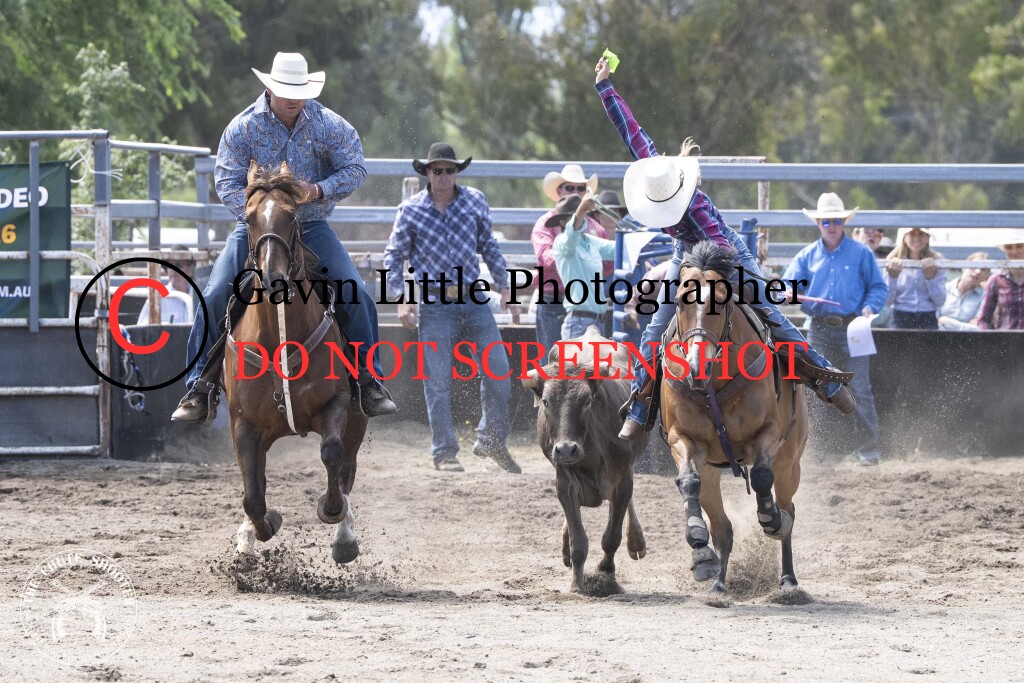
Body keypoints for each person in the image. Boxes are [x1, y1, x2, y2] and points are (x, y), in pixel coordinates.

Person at [592, 57, 856, 441]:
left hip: (727, 256)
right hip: (685, 255)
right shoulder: (656, 172)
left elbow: (720, 250)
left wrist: (709, 283)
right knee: (653, 331)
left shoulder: (696, 205)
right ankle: (640, 403)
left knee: (770, 314)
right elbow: (632, 132)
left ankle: (824, 378)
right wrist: (605, 87)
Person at [171, 52, 396, 424]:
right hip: (257, 228)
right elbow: (226, 183)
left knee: (355, 291)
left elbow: (355, 167)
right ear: (270, 88)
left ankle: (369, 380)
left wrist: (318, 190)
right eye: (286, 90)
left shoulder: (327, 124)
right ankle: (199, 387)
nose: (294, 98)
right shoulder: (243, 127)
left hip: (310, 226)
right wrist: (261, 211)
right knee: (214, 293)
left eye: (299, 91)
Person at [383, 142, 520, 474]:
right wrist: (401, 298)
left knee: (498, 371)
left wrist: (506, 286)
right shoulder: (411, 209)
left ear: (457, 172)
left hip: (473, 297)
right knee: (438, 380)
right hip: (434, 301)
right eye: (437, 170)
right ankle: (444, 451)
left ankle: (491, 439)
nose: (443, 175)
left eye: (449, 170)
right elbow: (394, 256)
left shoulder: (474, 201)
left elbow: (489, 245)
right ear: (428, 173)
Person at [784, 192, 889, 466]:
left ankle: (869, 450)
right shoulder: (806, 256)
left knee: (860, 387)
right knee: (818, 387)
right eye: (826, 221)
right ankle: (820, 449)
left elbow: (878, 287)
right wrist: (788, 293)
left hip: (854, 326)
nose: (831, 226)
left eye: (836, 221)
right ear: (818, 223)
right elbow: (787, 286)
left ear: (844, 223)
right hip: (819, 327)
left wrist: (869, 308)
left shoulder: (861, 254)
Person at [531, 164, 609, 357]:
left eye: (580, 188)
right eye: (569, 187)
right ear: (559, 191)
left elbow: (608, 265)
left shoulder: (595, 228)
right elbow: (546, 258)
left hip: (584, 303)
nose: (575, 192)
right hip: (553, 300)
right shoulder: (544, 224)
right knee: (551, 361)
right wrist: (577, 261)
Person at [547, 193, 617, 339]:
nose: (581, 219)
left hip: (597, 322)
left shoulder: (590, 241)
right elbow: (571, 235)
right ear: (563, 222)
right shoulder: (562, 242)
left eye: (582, 216)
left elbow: (617, 248)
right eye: (573, 217)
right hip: (579, 323)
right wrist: (582, 210)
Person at [883, 228, 946, 330]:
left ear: (927, 238)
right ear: (904, 238)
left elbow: (940, 301)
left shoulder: (937, 261)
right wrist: (892, 277)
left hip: (928, 316)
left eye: (921, 234)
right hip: (900, 316)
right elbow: (887, 301)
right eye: (912, 234)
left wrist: (930, 279)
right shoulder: (893, 260)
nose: (916, 238)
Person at [136, 245, 195, 325]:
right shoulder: (156, 297)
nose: (173, 269)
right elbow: (142, 328)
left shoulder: (200, 296)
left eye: (178, 265)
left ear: (190, 270)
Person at [977, 230, 1024, 330]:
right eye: (1009, 247)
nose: (1014, 252)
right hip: (1005, 338)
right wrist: (989, 338)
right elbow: (983, 319)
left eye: (1019, 246)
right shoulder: (996, 280)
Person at [937, 252, 990, 331]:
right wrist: (966, 326)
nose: (978, 271)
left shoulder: (984, 297)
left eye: (983, 269)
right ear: (964, 267)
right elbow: (935, 321)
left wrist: (947, 322)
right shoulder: (943, 289)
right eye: (974, 266)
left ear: (986, 276)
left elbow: (977, 328)